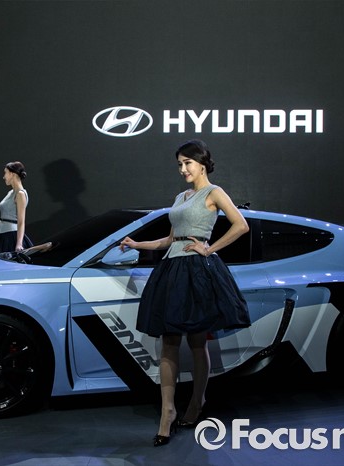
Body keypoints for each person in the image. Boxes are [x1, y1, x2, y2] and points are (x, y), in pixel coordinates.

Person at [119, 140, 251, 447]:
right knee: (168, 342)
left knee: (196, 341)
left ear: (201, 164)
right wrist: (137, 244)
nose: (182, 169)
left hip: (197, 272)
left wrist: (209, 248)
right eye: (179, 164)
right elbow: (169, 240)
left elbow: (241, 225)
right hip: (171, 269)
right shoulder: (181, 196)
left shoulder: (214, 192)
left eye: (187, 163)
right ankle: (167, 412)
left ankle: (196, 402)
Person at [0, 161, 33, 253]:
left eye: (5, 173)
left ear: (12, 174)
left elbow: (21, 221)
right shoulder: (10, 192)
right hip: (1, 234)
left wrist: (19, 244)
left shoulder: (20, 194)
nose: (4, 177)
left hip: (10, 236)